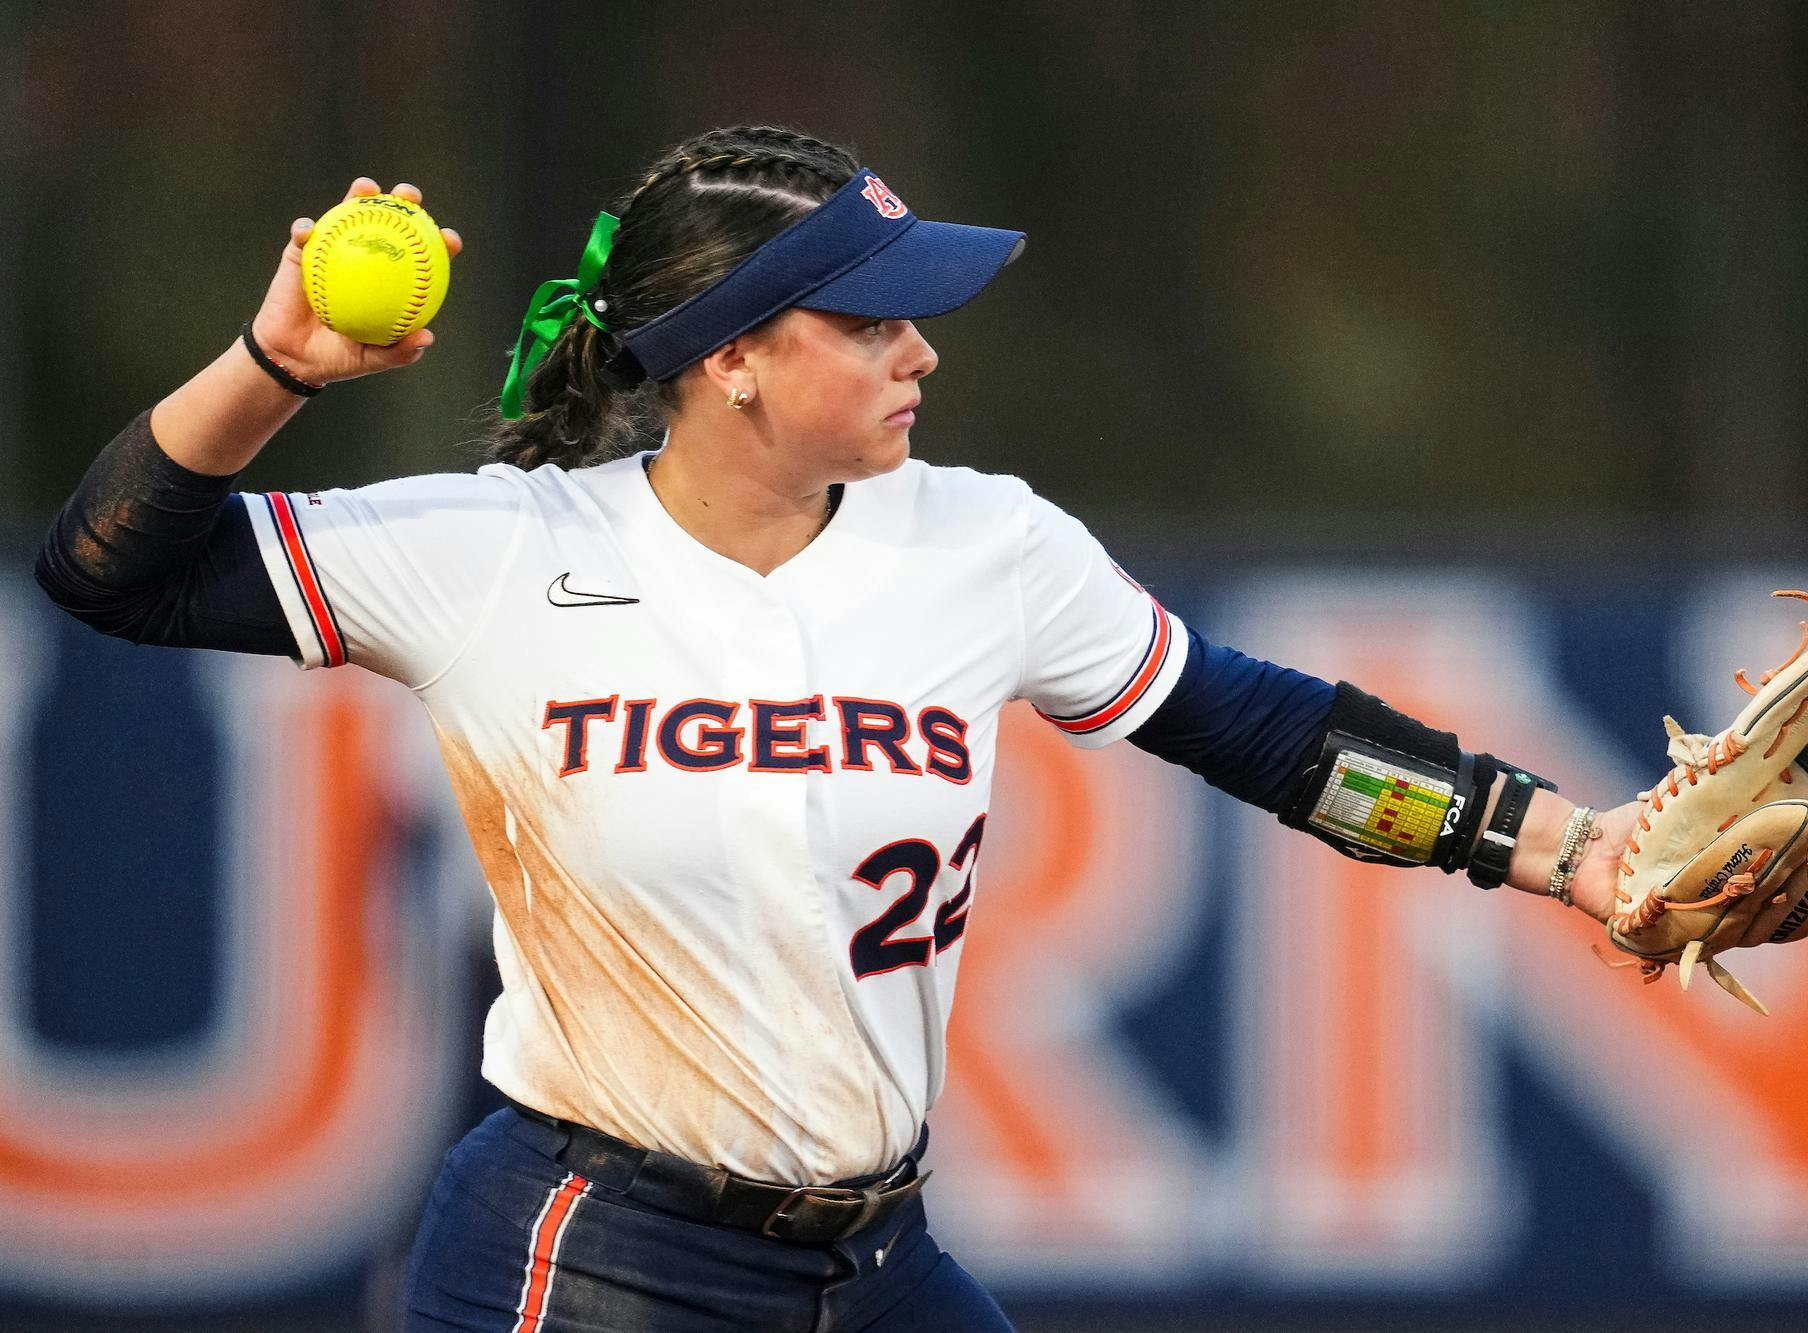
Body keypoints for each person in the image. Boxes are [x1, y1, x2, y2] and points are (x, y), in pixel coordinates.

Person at [35, 125, 1638, 1332]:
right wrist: (274, 366)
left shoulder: (983, 543)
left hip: (878, 1266)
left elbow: (1259, 729)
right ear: (731, 355)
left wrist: (1567, 848)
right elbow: (114, 570)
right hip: (598, 1259)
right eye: (873, 320)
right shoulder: (506, 551)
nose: (923, 348)